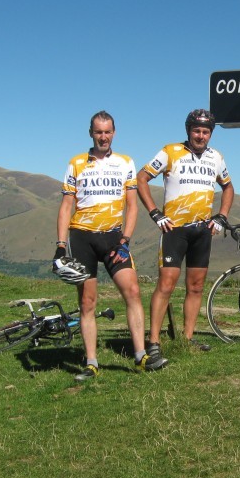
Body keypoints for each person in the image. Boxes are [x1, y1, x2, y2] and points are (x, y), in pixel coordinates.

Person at [54, 110, 167, 381]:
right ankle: (91, 362)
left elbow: (132, 205)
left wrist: (125, 240)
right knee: (88, 302)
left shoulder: (125, 162)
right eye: (98, 132)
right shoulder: (76, 163)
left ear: (113, 133)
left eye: (107, 132)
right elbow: (66, 206)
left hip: (114, 238)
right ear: (90, 133)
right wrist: (60, 246)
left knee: (133, 291)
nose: (103, 137)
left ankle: (141, 356)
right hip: (82, 237)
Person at [137, 109, 234, 358]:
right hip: (174, 230)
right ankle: (154, 342)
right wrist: (155, 213)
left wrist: (222, 216)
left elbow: (228, 186)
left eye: (205, 132)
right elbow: (142, 178)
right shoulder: (170, 151)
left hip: (202, 230)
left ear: (210, 134)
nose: (201, 136)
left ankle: (186, 339)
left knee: (196, 287)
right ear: (188, 130)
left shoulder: (216, 157)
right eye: (196, 131)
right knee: (166, 285)